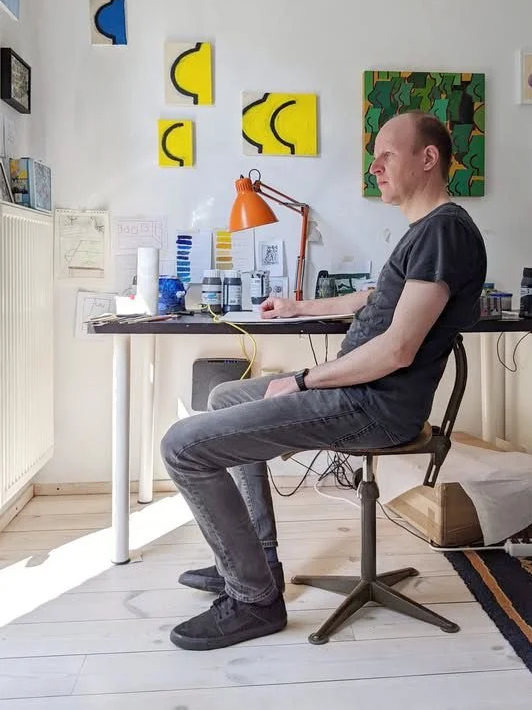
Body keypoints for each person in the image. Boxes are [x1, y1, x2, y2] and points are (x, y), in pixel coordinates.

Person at [161, 111, 487, 651]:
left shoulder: (444, 231)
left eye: (387, 155)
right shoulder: (425, 234)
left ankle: (253, 601)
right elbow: (371, 300)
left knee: (184, 446)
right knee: (223, 398)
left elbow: (398, 347)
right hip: (354, 394)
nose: (375, 166)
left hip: (371, 405)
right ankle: (254, 564)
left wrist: (307, 379)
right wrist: (297, 306)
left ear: (428, 158)